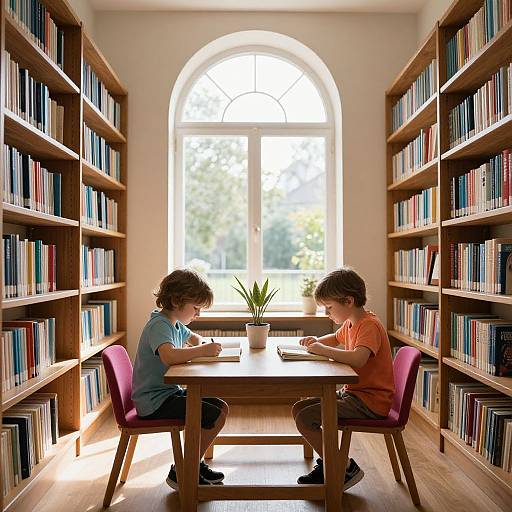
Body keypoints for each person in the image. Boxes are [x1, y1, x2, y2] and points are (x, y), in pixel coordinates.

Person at [293, 267, 395, 490]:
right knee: (299, 410)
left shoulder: (369, 325)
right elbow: (335, 338)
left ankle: (342, 467)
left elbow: (358, 359)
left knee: (305, 417)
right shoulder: (351, 323)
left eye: (329, 307)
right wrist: (316, 341)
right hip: (356, 395)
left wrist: (322, 350)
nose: (327, 313)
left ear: (348, 301)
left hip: (370, 402)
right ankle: (332, 462)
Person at [132, 269, 228, 489]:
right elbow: (169, 356)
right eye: (196, 309)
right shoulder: (159, 325)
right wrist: (203, 351)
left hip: (166, 394)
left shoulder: (174, 323)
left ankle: (194, 462)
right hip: (153, 402)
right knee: (210, 413)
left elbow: (195, 339)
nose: (198, 315)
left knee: (219, 408)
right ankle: (183, 470)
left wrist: (204, 345)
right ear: (176, 301)